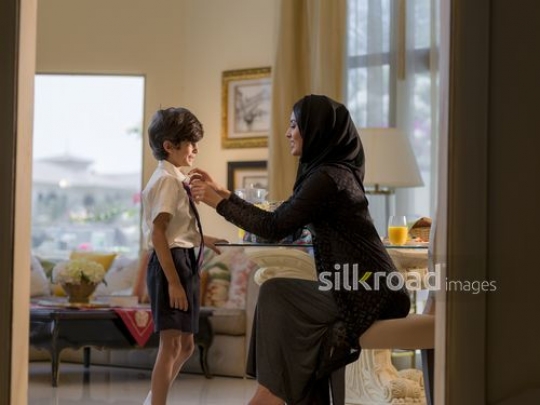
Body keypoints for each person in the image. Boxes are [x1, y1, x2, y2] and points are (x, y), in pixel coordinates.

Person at [190, 94, 411, 405]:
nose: (287, 133)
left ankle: (271, 394)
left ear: (316, 129)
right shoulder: (333, 173)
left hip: (368, 291)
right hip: (359, 286)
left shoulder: (328, 178)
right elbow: (284, 222)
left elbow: (273, 227)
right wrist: (225, 195)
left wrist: (218, 203)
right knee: (278, 291)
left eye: (294, 125)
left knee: (277, 292)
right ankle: (274, 392)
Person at [141, 107, 224, 405]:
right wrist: (174, 283)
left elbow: (177, 229)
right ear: (169, 145)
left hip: (184, 259)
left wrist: (205, 240)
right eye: (190, 142)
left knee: (186, 346)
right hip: (171, 265)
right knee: (171, 345)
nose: (195, 149)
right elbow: (159, 234)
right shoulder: (166, 180)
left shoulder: (176, 178)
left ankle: (152, 399)